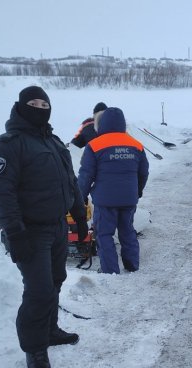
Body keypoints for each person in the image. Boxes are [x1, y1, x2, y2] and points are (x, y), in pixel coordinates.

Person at [0, 86, 88, 368]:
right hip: (28, 231)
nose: (40, 107)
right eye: (34, 102)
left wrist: (79, 217)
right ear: (21, 106)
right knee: (39, 291)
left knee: (56, 281)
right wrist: (14, 233)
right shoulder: (8, 145)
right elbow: (1, 193)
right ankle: (35, 349)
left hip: (56, 226)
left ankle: (50, 330)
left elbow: (71, 182)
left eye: (45, 102)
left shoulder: (54, 143)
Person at [78, 107, 149, 274]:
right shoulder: (136, 145)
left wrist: (80, 197)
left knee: (104, 234)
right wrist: (137, 191)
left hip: (105, 200)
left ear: (102, 124)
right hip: (128, 199)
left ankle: (110, 270)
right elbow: (143, 172)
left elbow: (86, 175)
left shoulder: (94, 145)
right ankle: (132, 265)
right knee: (128, 232)